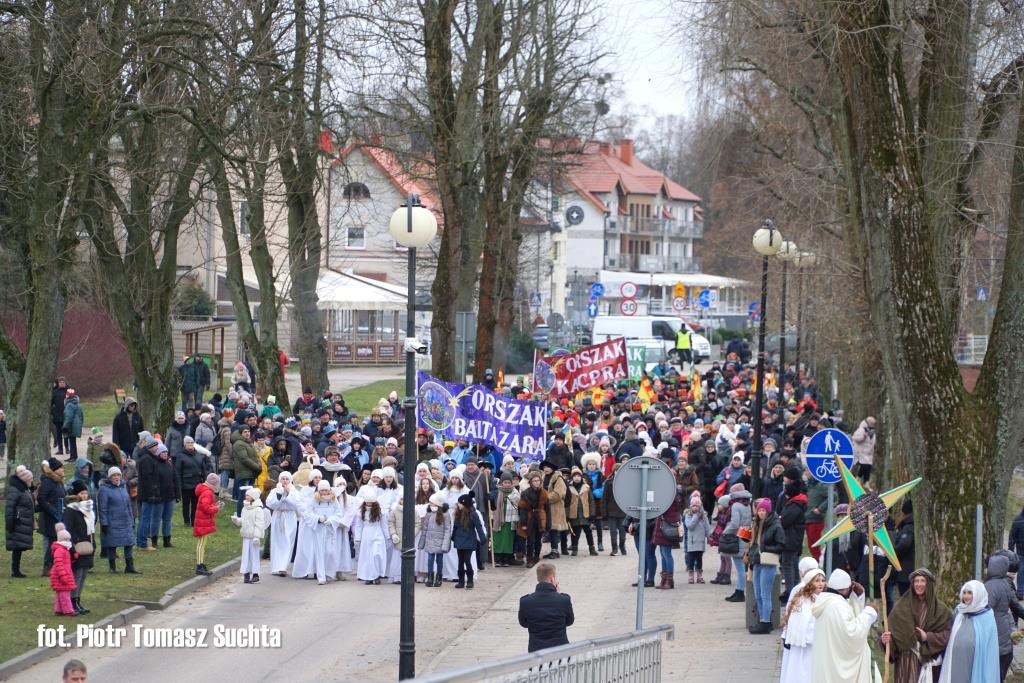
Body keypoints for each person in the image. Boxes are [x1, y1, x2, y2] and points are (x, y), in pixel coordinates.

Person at [811, 568, 880, 683]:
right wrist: (869, 613)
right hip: (838, 666)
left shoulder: (826, 601)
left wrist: (858, 597)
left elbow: (850, 615)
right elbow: (852, 633)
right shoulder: (837, 605)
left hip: (829, 661)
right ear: (845, 589)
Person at [881, 568, 949, 683]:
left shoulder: (941, 610)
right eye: (916, 581)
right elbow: (892, 633)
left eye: (922, 581)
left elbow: (947, 635)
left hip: (927, 664)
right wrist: (886, 640)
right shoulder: (901, 606)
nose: (919, 584)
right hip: (904, 663)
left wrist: (927, 637)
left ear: (929, 584)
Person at [938, 580, 999, 683]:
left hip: (975, 665)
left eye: (970, 593)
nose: (966, 596)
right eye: (964, 592)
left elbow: (990, 651)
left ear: (978, 594)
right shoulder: (959, 612)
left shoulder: (986, 617)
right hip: (955, 664)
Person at [982, 554, 1024, 680]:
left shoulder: (990, 586)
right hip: (1005, 641)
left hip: (996, 641)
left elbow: (986, 611)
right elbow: (1012, 608)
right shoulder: (1005, 584)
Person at [780, 568, 826, 683]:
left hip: (816, 646)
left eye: (822, 580)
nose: (820, 583)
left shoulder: (822, 599)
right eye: (817, 581)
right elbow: (802, 624)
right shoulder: (803, 601)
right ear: (810, 582)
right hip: (804, 646)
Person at [518, 561, 575, 653]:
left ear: (538, 578)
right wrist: (557, 594)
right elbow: (569, 621)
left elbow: (524, 623)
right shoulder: (564, 600)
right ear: (552, 578)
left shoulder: (525, 601)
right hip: (560, 650)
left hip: (536, 650)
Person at [748, 497, 786, 633]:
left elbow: (781, 545)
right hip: (757, 562)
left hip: (768, 563)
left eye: (764, 510)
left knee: (765, 594)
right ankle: (764, 620)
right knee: (757, 593)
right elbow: (755, 544)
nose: (761, 513)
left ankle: (765, 623)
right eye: (759, 510)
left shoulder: (776, 525)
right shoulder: (757, 524)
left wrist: (765, 548)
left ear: (768, 511)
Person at [98, 467, 140, 574]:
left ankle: (129, 566)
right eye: (114, 475)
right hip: (112, 521)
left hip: (125, 520)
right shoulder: (104, 489)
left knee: (129, 543)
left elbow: (129, 505)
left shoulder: (123, 486)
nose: (116, 477)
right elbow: (102, 508)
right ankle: (112, 567)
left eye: (118, 475)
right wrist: (104, 523)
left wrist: (131, 520)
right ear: (110, 477)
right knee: (112, 544)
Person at [231, 486, 270, 584]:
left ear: (253, 497)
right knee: (246, 555)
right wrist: (236, 520)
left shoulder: (258, 509)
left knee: (254, 554)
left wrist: (257, 536)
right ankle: (246, 574)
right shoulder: (245, 508)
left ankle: (255, 574)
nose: (246, 497)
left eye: (248, 495)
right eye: (246, 495)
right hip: (246, 536)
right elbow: (243, 521)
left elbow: (259, 524)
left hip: (254, 537)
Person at [266, 472, 301, 576]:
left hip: (289, 516)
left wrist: (289, 494)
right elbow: (270, 503)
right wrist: (279, 495)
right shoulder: (274, 491)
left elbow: (297, 504)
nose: (285, 481)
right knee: (277, 541)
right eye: (283, 479)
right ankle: (276, 566)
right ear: (279, 480)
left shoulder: (294, 491)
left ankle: (283, 567)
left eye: (287, 479)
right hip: (278, 516)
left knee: (288, 541)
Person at [352, 487, 388, 585]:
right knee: (367, 556)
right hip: (366, 535)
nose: (369, 505)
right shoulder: (361, 512)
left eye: (371, 503)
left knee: (376, 554)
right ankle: (369, 577)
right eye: (367, 503)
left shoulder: (380, 511)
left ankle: (376, 575)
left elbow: (384, 525)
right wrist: (357, 538)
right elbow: (359, 526)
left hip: (377, 533)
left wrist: (387, 536)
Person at [451, 492, 487, 589]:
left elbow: (479, 527)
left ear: (465, 504)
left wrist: (482, 538)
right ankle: (461, 581)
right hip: (459, 540)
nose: (458, 505)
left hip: (469, 540)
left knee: (467, 560)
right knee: (460, 561)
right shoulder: (458, 514)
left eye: (460, 503)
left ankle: (470, 581)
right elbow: (455, 527)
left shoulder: (473, 514)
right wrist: (453, 537)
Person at [38, 458, 68, 575]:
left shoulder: (59, 482)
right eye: (60, 468)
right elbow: (41, 499)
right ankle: (47, 567)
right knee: (53, 541)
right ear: (54, 470)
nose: (63, 469)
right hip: (51, 517)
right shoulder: (48, 482)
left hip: (60, 515)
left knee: (58, 540)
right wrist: (53, 511)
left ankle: (56, 565)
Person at [722, 489, 753, 602]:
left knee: (740, 568)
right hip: (745, 534)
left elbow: (735, 524)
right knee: (742, 566)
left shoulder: (735, 506)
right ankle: (738, 591)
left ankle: (740, 592)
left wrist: (725, 532)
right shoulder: (747, 505)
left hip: (737, 536)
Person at [7, 465, 36, 578]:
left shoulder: (24, 489)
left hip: (22, 520)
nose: (31, 481)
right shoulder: (16, 490)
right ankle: (15, 571)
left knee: (19, 547)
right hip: (17, 522)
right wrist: (11, 524)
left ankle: (16, 570)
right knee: (17, 547)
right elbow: (10, 508)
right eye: (30, 479)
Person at [419, 490, 453, 587]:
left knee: (439, 560)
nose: (430, 505)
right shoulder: (429, 513)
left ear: (437, 504)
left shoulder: (445, 514)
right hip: (430, 541)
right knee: (430, 559)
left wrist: (445, 544)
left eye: (432, 503)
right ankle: (430, 577)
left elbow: (447, 530)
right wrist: (422, 542)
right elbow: (425, 528)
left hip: (440, 541)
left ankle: (439, 577)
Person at [193, 473, 224, 576]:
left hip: (203, 522)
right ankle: (199, 566)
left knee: (202, 543)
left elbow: (207, 505)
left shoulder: (206, 491)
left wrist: (215, 505)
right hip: (203, 522)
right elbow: (206, 508)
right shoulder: (207, 492)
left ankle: (201, 563)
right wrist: (217, 508)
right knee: (201, 544)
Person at [517, 471, 549, 568]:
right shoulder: (525, 493)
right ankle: (529, 559)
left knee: (538, 539)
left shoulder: (544, 493)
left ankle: (536, 557)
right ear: (530, 482)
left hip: (540, 518)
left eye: (538, 480)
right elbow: (522, 508)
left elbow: (548, 509)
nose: (536, 482)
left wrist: (548, 523)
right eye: (534, 481)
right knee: (530, 540)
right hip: (529, 518)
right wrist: (523, 523)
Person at [491, 471, 521, 567]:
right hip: (499, 520)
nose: (507, 484)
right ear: (501, 483)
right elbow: (492, 504)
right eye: (505, 482)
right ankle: (498, 559)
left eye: (509, 482)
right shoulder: (497, 492)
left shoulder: (515, 493)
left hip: (510, 520)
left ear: (511, 483)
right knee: (498, 540)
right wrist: (490, 497)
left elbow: (518, 503)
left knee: (508, 541)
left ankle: (507, 559)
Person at [566, 467, 596, 557]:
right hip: (574, 514)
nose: (577, 478)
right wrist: (567, 515)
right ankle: (574, 549)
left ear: (581, 477)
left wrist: (592, 513)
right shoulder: (569, 488)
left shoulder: (586, 487)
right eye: (574, 476)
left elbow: (591, 501)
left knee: (588, 532)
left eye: (578, 476)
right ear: (572, 477)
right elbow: (566, 502)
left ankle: (592, 549)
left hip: (585, 514)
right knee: (575, 533)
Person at [683, 491, 711, 584]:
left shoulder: (704, 516)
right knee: (691, 559)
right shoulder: (688, 515)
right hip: (692, 542)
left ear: (700, 506)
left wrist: (709, 537)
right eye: (694, 506)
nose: (695, 508)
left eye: (697, 506)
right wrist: (696, 516)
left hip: (700, 541)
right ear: (691, 506)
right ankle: (691, 576)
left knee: (699, 559)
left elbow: (707, 527)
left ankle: (699, 575)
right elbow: (690, 526)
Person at [50, 523, 78, 616]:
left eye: (68, 539)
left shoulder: (64, 550)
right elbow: (59, 564)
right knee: (65, 594)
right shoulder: (60, 550)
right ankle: (68, 610)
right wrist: (63, 576)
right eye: (66, 539)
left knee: (60, 594)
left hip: (63, 574)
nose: (68, 541)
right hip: (61, 575)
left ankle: (58, 610)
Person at [603, 462, 628, 556]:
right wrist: (604, 512)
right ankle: (614, 548)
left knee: (622, 531)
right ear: (614, 471)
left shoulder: (627, 483)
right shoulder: (608, 482)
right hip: (611, 511)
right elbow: (604, 498)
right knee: (613, 531)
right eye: (616, 470)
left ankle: (622, 545)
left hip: (623, 511)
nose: (618, 472)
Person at [852, 417, 876, 486]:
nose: (873, 425)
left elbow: (872, 441)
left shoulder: (872, 431)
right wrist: (863, 437)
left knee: (868, 467)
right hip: (861, 451)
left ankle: (866, 482)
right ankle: (857, 478)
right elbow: (855, 438)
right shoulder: (861, 429)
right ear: (868, 422)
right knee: (864, 466)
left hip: (868, 452)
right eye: (872, 423)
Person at [62, 388, 84, 461]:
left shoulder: (69, 405)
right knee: (73, 441)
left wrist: (65, 426)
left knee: (71, 441)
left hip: (71, 426)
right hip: (76, 426)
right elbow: (82, 416)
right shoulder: (78, 404)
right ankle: (74, 456)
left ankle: (73, 457)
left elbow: (68, 417)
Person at [51, 377, 68, 457]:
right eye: (60, 382)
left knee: (66, 433)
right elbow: (51, 403)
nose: (62, 383)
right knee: (58, 434)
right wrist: (53, 412)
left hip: (66, 416)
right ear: (58, 383)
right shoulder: (55, 392)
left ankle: (67, 448)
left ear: (65, 383)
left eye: (63, 382)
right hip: (57, 416)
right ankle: (60, 449)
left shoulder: (68, 391)